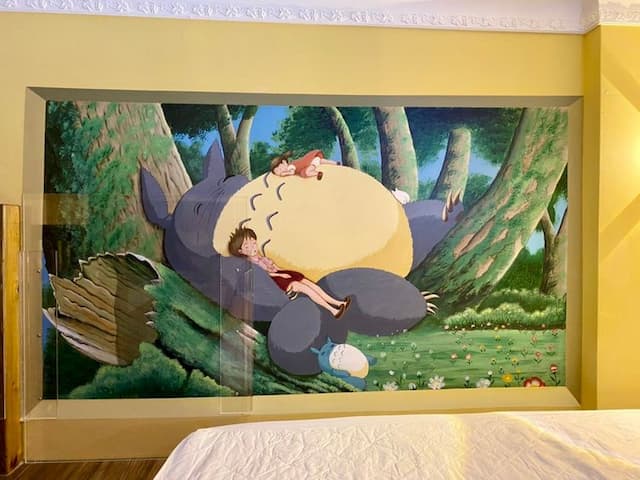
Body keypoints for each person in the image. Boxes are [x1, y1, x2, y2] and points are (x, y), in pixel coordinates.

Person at [228, 227, 351, 319]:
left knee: (310, 284)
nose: (252, 247)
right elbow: (266, 276)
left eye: (253, 243)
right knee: (305, 288)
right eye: (247, 246)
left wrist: (285, 272)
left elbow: (275, 267)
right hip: (276, 282)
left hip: (281, 275)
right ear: (241, 251)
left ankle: (338, 303)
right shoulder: (251, 264)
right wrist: (281, 275)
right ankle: (333, 310)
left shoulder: (261, 257)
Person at [270, 149, 338, 180]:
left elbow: (292, 172)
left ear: (284, 162)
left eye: (279, 169)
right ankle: (335, 163)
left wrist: (284, 174)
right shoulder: (291, 164)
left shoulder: (291, 166)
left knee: (307, 172)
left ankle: (318, 173)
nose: (280, 172)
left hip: (309, 162)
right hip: (313, 160)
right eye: (277, 172)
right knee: (319, 160)